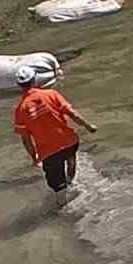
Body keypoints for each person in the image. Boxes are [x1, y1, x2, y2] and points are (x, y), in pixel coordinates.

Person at [12, 64, 98, 202]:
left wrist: (34, 157)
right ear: (35, 80)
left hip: (48, 152)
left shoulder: (20, 110)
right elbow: (72, 114)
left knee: (58, 187)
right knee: (71, 157)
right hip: (69, 142)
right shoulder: (51, 94)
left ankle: (62, 205)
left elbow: (26, 139)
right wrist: (88, 126)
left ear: (19, 85)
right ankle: (71, 178)